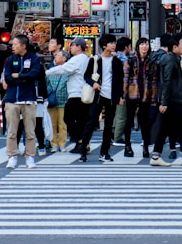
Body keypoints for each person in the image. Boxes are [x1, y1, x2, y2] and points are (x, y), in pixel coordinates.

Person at [149, 34, 182, 167]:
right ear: (175, 47)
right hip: (171, 101)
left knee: (164, 128)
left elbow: (178, 82)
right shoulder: (169, 60)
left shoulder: (175, 59)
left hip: (173, 100)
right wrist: (164, 102)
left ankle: (156, 156)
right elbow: (166, 82)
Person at [77, 33, 124, 163]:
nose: (114, 45)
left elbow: (120, 81)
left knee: (109, 126)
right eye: (111, 43)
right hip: (99, 95)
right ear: (104, 45)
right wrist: (94, 83)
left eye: (114, 43)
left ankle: (105, 153)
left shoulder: (117, 61)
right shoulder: (95, 60)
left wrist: (120, 96)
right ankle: (83, 151)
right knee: (91, 123)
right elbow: (86, 76)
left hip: (112, 96)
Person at [1, 34, 43, 169]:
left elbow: (35, 74)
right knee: (12, 131)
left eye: (15, 44)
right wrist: (24, 78)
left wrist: (19, 75)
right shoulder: (9, 59)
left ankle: (30, 156)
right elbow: (7, 78)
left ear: (23, 46)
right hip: (12, 99)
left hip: (29, 98)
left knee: (30, 131)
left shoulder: (34, 59)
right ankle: (12, 156)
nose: (12, 46)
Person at [45, 37, 92, 154]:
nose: (70, 47)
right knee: (81, 120)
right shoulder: (85, 58)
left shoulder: (78, 58)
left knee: (68, 118)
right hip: (82, 93)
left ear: (79, 47)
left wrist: (46, 72)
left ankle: (81, 141)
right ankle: (82, 144)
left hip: (76, 93)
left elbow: (64, 69)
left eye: (72, 45)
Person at [122, 37, 152, 158]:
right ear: (138, 46)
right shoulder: (130, 60)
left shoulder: (151, 61)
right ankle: (127, 146)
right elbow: (125, 79)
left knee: (144, 122)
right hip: (132, 94)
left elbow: (153, 81)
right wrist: (123, 95)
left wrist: (154, 98)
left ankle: (145, 146)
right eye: (142, 44)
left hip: (146, 94)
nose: (144, 46)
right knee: (128, 120)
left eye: (146, 44)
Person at [111, 36, 133, 148]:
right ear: (126, 47)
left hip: (112, 90)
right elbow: (124, 78)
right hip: (121, 91)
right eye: (130, 46)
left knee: (116, 114)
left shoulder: (113, 57)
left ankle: (114, 134)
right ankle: (117, 137)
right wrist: (123, 94)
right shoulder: (124, 60)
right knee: (122, 115)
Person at [45, 50, 70, 150]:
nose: (56, 57)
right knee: (52, 123)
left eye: (58, 55)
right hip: (52, 101)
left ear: (64, 59)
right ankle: (54, 144)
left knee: (62, 124)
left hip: (64, 100)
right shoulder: (51, 70)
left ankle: (62, 144)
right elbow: (46, 84)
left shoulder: (68, 71)